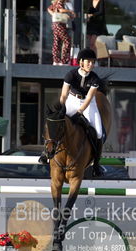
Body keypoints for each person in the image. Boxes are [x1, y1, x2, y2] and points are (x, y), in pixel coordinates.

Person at [40, 48, 104, 176]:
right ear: (81, 62)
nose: (91, 64)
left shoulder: (95, 78)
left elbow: (90, 97)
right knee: (55, 122)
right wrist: (62, 108)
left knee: (98, 132)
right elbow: (64, 94)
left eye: (93, 62)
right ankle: (45, 153)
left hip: (88, 104)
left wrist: (80, 112)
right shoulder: (71, 74)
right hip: (72, 100)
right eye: (88, 62)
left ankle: (96, 164)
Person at [47, 0, 75, 65]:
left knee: (57, 41)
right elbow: (60, 10)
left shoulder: (55, 3)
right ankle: (64, 61)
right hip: (59, 24)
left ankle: (56, 61)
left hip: (56, 24)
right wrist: (70, 11)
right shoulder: (60, 2)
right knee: (67, 41)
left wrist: (54, 14)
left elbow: (49, 9)